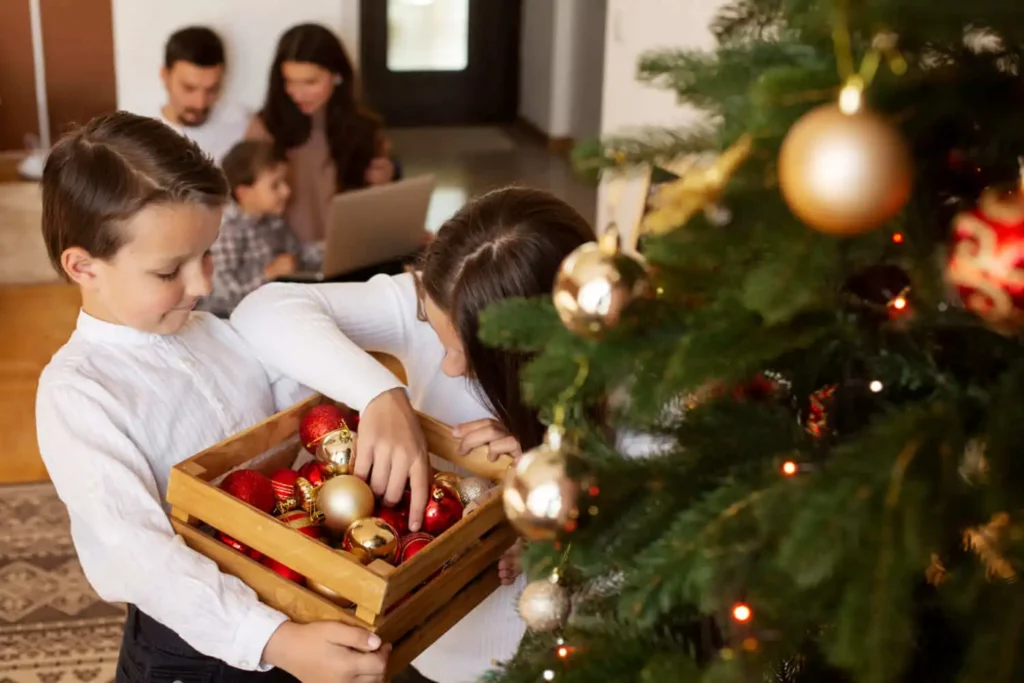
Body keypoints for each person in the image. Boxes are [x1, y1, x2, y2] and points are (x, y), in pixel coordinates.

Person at [35, 111, 389, 683]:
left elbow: (301, 409)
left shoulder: (218, 331)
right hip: (192, 645)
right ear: (84, 266)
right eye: (169, 270)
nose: (202, 285)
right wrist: (275, 640)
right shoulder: (78, 395)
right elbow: (142, 557)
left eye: (207, 254)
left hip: (295, 591)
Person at [230, 187, 596, 682]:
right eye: (436, 330)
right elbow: (263, 310)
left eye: (473, 355)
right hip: (422, 645)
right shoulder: (433, 293)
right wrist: (382, 393)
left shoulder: (623, 374)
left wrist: (548, 471)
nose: (449, 367)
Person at [247, 23, 396, 247]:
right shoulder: (265, 128)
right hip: (285, 259)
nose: (298, 94)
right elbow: (246, 208)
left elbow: (379, 211)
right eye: (289, 81)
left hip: (351, 253)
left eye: (310, 82)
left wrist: (384, 184)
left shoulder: (363, 127)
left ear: (337, 76)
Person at [200, 140, 308, 318]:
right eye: (275, 185)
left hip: (268, 311)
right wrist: (269, 273)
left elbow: (298, 254)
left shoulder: (272, 222)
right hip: (229, 321)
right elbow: (221, 294)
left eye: (285, 183)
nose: (286, 191)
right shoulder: (225, 230)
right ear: (244, 193)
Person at [158, 26, 249, 163]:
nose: (200, 103)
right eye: (189, 88)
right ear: (165, 76)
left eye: (212, 89)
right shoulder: (134, 136)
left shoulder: (243, 125)